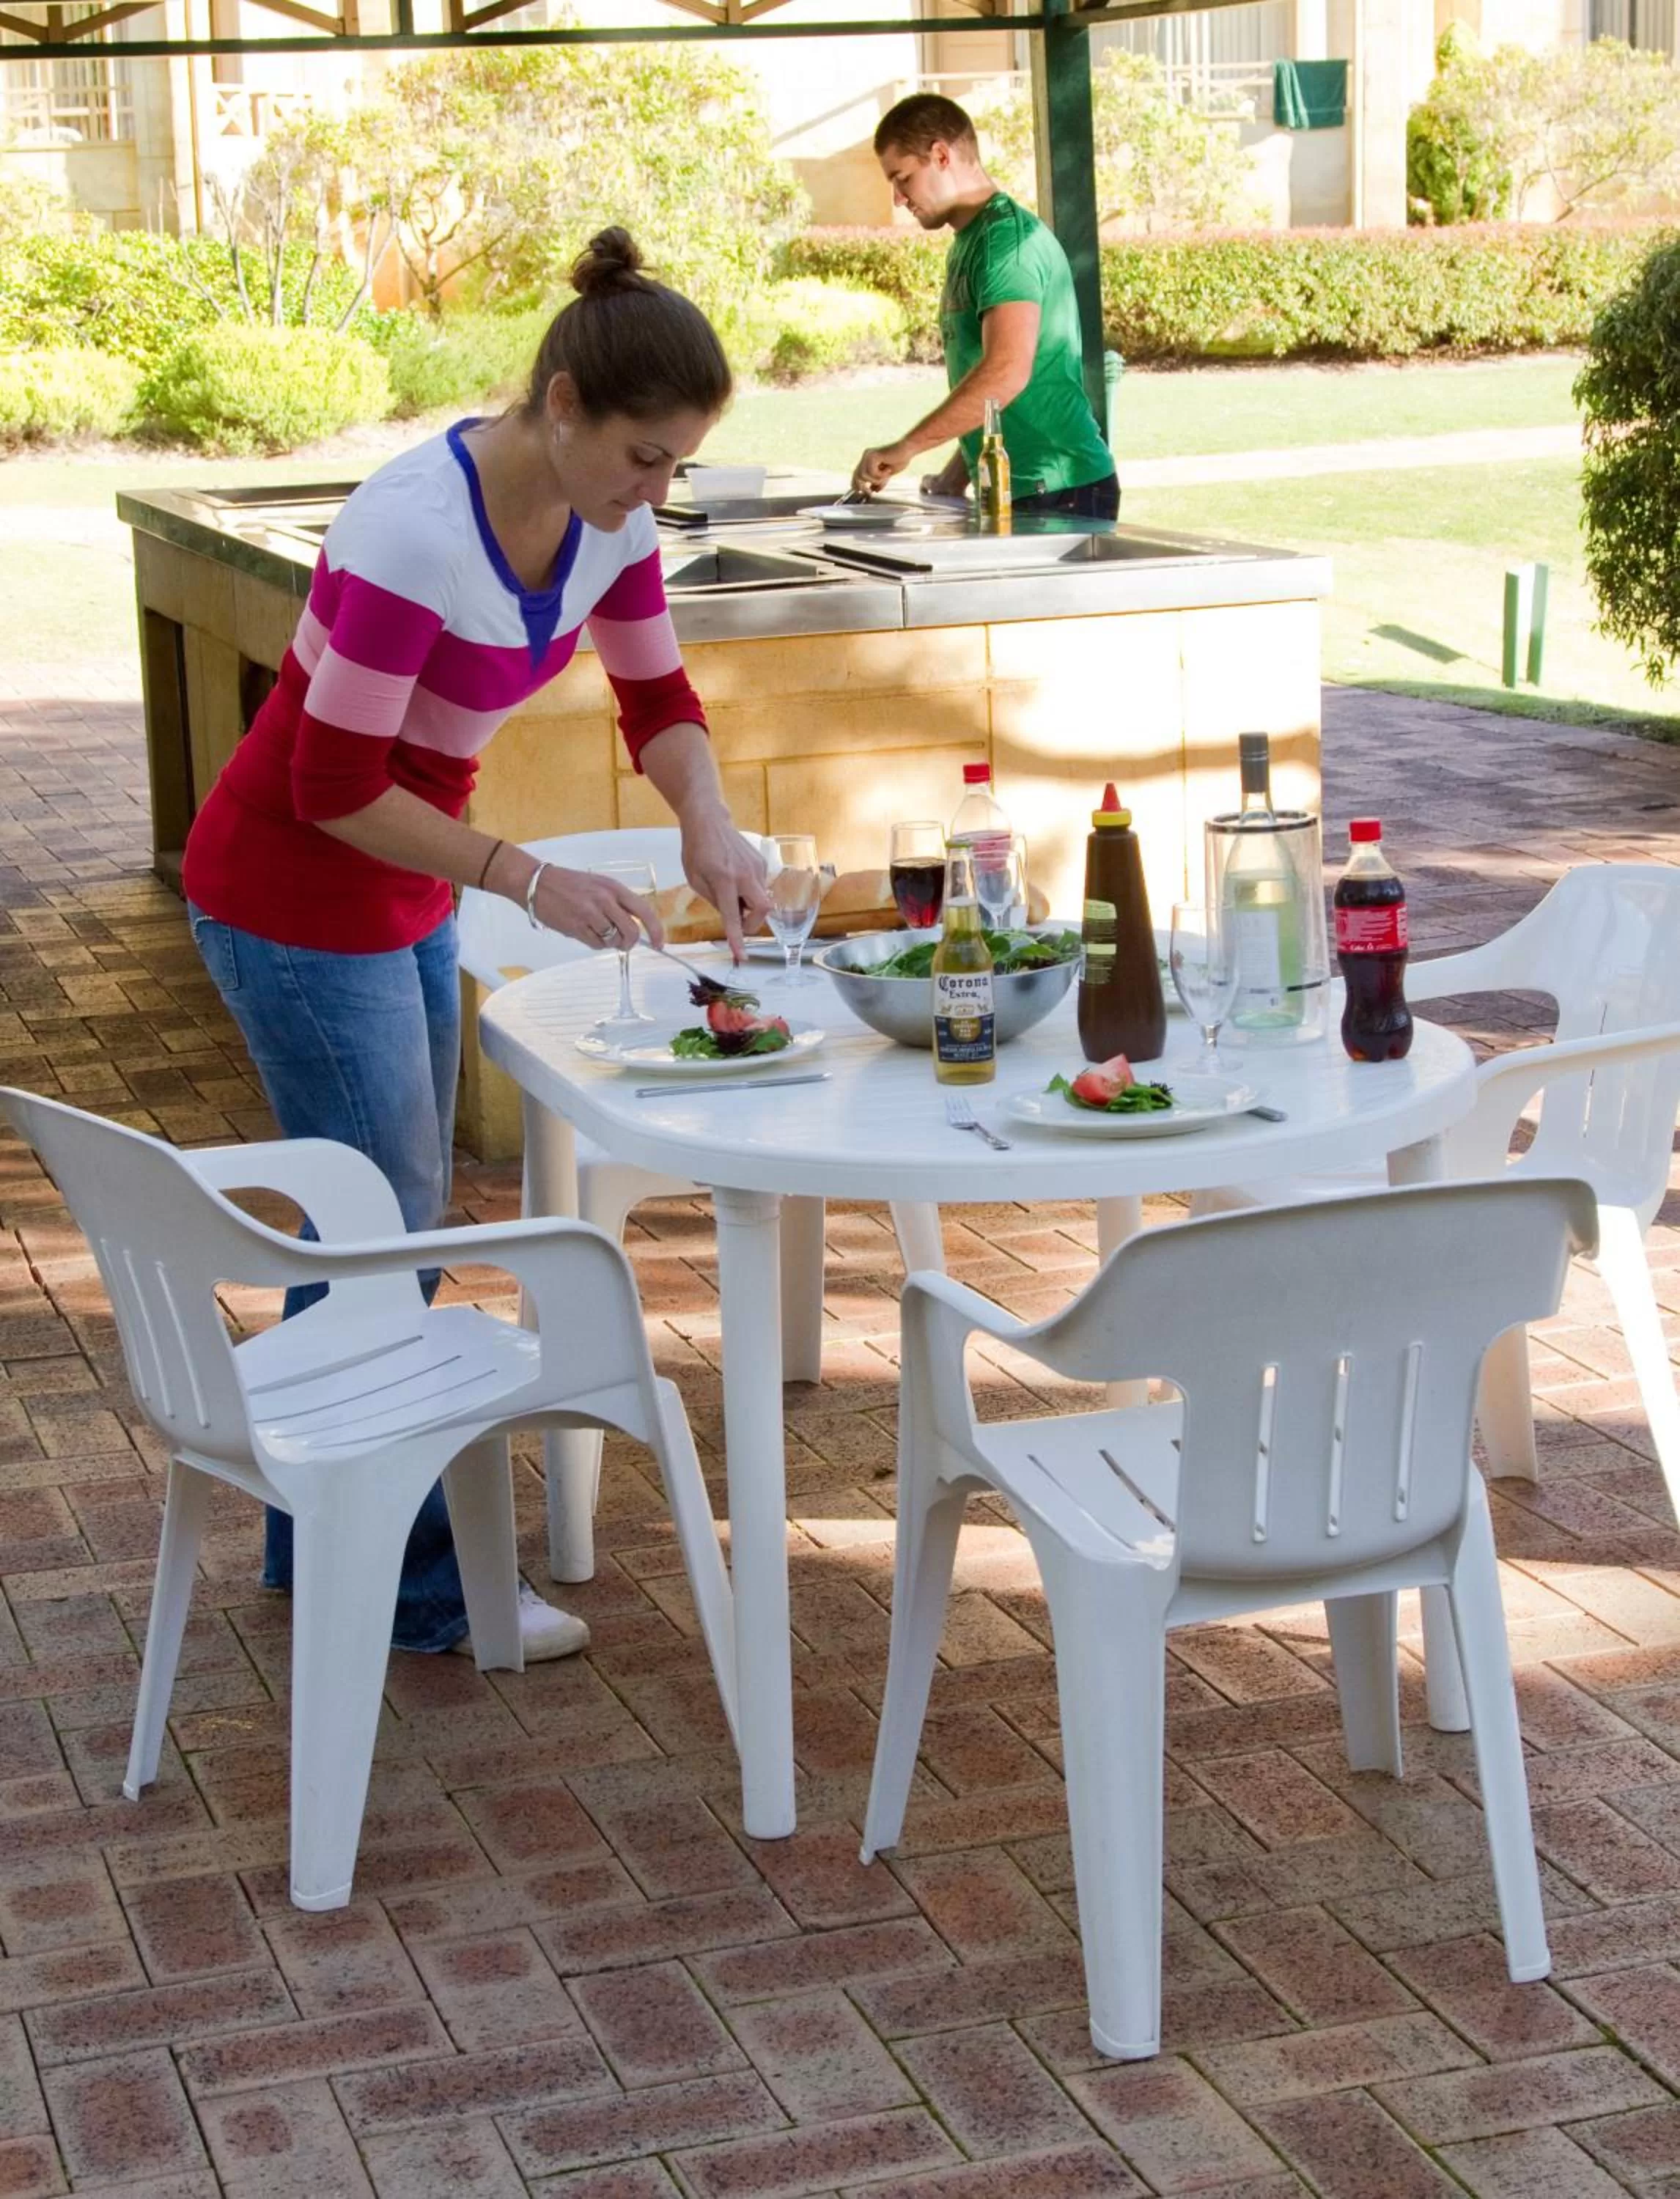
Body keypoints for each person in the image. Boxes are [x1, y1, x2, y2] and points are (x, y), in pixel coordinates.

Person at [181, 227, 770, 1663]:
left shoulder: (610, 527)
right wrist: (524, 878)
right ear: (561, 404)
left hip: (399, 892)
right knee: (392, 1232)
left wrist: (706, 817)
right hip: (288, 896)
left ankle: (316, 1548)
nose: (660, 493)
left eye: (679, 463)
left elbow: (656, 698)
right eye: (646, 456)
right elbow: (329, 787)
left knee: (376, 1217)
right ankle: (415, 1592)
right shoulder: (410, 528)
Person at [851, 93, 1118, 520]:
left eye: (902, 178)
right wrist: (957, 474)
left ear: (940, 155)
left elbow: (1007, 373)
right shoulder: (971, 243)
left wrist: (909, 446)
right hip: (1020, 486)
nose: (898, 198)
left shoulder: (1005, 244)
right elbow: (992, 393)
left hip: (1057, 488)